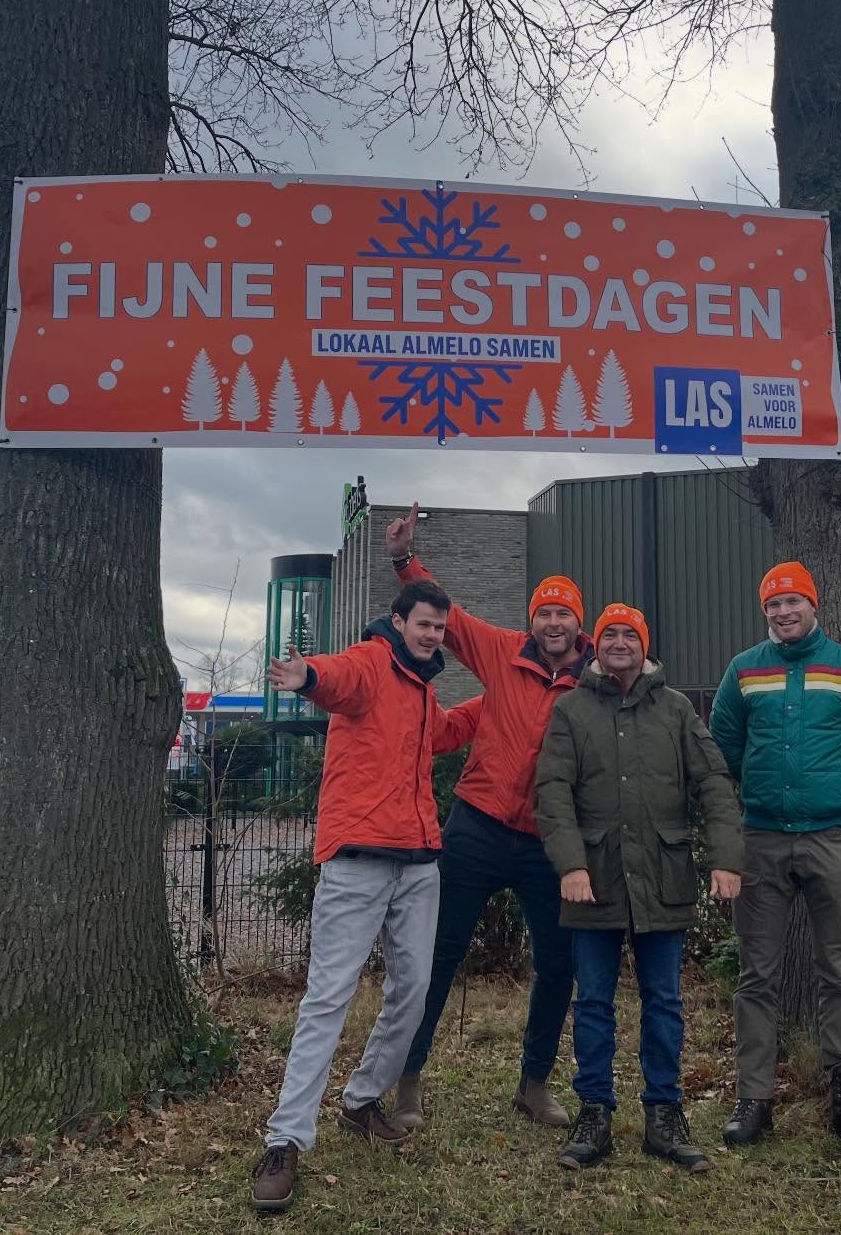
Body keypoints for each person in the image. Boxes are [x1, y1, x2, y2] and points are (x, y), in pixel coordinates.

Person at [251, 579, 482, 1213]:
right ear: (399, 622)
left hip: (419, 861)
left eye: (440, 627)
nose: (433, 634)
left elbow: (441, 734)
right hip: (357, 859)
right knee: (329, 996)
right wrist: (305, 675)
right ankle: (285, 1140)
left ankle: (360, 1100)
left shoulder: (422, 688)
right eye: (424, 623)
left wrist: (498, 703)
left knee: (414, 990)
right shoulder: (373, 663)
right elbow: (337, 680)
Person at [383, 502, 591, 1132]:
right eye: (544, 612)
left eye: (563, 614)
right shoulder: (502, 651)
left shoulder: (595, 683)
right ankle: (408, 1080)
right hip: (477, 825)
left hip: (548, 842)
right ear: (532, 619)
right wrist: (404, 559)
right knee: (439, 953)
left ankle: (534, 1083)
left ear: (578, 624)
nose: (552, 622)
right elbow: (449, 618)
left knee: (558, 963)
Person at [534, 603, 745, 1172]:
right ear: (595, 645)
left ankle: (664, 1115)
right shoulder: (571, 710)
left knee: (665, 1001)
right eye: (610, 635)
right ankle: (594, 1113)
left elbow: (714, 781)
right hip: (594, 880)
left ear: (644, 645)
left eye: (630, 635)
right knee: (592, 1002)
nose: (620, 643)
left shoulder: (677, 709)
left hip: (663, 875)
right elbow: (552, 791)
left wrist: (727, 858)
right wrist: (570, 865)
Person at [709, 561, 841, 1157]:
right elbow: (724, 742)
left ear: (813, 605)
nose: (784, 611)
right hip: (761, 840)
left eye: (793, 601)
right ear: (764, 611)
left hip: (831, 838)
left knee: (839, 969)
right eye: (773, 604)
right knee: (756, 975)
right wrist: (758, 787)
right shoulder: (744, 670)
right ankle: (753, 1098)